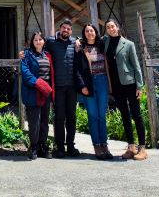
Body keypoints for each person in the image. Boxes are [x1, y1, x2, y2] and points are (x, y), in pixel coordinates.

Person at [18, 18, 80, 157]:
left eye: (69, 29)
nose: (66, 30)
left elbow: (83, 40)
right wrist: (23, 53)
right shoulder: (43, 46)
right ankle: (46, 147)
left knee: (59, 118)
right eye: (64, 28)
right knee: (49, 118)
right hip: (48, 88)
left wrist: (79, 40)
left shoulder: (54, 50)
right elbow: (26, 70)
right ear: (59, 29)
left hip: (62, 88)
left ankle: (65, 146)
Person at [104, 18, 148, 160]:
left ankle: (143, 148)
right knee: (124, 115)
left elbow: (136, 65)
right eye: (108, 28)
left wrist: (139, 85)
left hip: (130, 83)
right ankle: (131, 147)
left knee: (136, 114)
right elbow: (90, 37)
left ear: (118, 27)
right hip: (116, 85)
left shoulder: (128, 44)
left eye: (113, 26)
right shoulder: (105, 42)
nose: (111, 29)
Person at [74, 23, 114, 159]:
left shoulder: (102, 45)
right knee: (93, 115)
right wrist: (82, 86)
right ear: (84, 34)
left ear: (96, 32)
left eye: (92, 31)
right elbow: (77, 69)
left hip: (102, 81)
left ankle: (104, 145)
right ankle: (96, 145)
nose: (90, 33)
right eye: (87, 31)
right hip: (89, 83)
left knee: (102, 115)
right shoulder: (81, 47)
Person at [19, 30, 54, 160]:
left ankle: (42, 146)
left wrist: (47, 88)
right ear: (32, 42)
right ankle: (33, 147)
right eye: (35, 40)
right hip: (34, 91)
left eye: (40, 39)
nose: (38, 41)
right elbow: (26, 73)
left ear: (44, 41)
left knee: (45, 120)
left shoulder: (48, 55)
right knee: (34, 120)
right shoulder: (27, 55)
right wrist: (39, 83)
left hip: (46, 92)